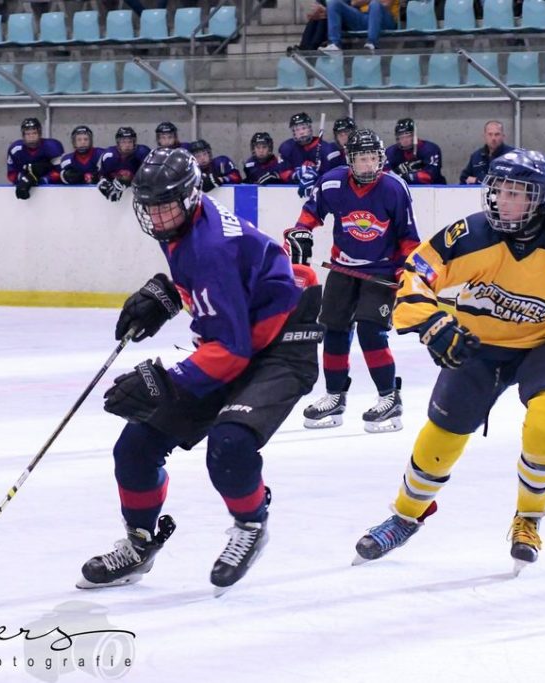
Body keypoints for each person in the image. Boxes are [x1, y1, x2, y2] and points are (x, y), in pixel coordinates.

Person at [352, 149, 545, 571]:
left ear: (541, 199)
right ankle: (406, 514)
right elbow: (416, 272)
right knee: (442, 435)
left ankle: (528, 519)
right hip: (480, 344)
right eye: (498, 191)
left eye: (518, 194)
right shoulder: (469, 236)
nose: (504, 202)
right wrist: (430, 322)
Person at [78, 147, 323, 595]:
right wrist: (169, 295)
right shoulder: (184, 223)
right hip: (239, 334)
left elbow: (231, 350)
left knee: (230, 443)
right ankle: (139, 544)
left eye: (165, 205)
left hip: (284, 343)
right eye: (149, 206)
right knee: (135, 447)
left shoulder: (208, 246)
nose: (156, 216)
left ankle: (251, 524)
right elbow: (222, 293)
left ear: (191, 197)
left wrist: (166, 380)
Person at [283, 129, 420, 433]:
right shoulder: (332, 182)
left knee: (371, 332)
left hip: (381, 270)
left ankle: (389, 397)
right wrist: (301, 232)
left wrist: (406, 272)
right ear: (350, 160)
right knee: (333, 330)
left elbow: (409, 238)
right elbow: (310, 213)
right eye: (361, 159)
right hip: (343, 268)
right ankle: (334, 395)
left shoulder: (394, 189)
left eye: (373, 158)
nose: (368, 165)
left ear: (380, 159)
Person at [278, 112, 342, 198]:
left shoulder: (325, 148)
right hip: (292, 195)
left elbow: (333, 175)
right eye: (297, 130)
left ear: (310, 128)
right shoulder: (287, 148)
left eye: (304, 128)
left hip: (320, 195)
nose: (301, 132)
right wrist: (295, 175)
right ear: (293, 132)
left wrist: (318, 175)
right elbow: (283, 173)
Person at [6, 118, 64, 200]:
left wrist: (43, 180)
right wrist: (25, 179)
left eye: (34, 133)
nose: (31, 136)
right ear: (23, 135)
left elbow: (60, 172)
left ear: (40, 134)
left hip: (52, 191)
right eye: (28, 133)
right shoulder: (15, 149)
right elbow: (11, 174)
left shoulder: (52, 147)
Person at [319, 0, 399, 52]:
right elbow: (354, 3)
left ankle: (372, 43)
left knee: (375, 4)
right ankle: (334, 44)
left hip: (385, 19)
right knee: (333, 3)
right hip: (365, 17)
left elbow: (385, 3)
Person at [384, 118, 446, 185]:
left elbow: (431, 176)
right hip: (402, 188)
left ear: (414, 136)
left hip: (434, 190)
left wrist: (406, 176)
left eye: (408, 136)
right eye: (401, 137)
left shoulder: (430, 150)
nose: (405, 140)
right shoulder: (391, 152)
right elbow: (385, 176)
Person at [97, 126, 152, 202]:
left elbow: (151, 177)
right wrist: (103, 182)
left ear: (134, 142)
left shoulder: (143, 153)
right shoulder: (109, 156)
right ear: (118, 143)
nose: (127, 145)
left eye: (130, 142)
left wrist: (130, 181)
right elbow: (100, 175)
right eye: (123, 142)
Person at [460, 120, 514, 185]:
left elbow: (509, 181)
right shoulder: (476, 156)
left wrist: (478, 180)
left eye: (497, 134)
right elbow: (464, 178)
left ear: (503, 136)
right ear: (484, 136)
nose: (493, 138)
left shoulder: (512, 155)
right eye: (490, 134)